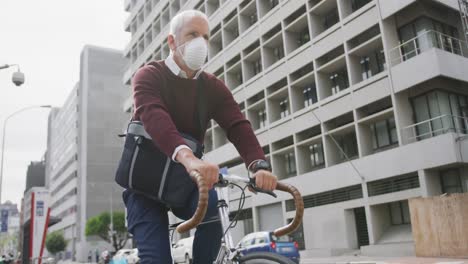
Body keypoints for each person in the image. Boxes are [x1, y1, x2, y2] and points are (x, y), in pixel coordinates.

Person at [123, 9, 277, 264]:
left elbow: (238, 125)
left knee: (215, 211)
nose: (201, 43)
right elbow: (155, 119)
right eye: (193, 34)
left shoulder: (212, 87)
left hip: (184, 184)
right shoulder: (148, 76)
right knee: (157, 260)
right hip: (143, 186)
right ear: (172, 41)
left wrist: (258, 164)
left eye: (205, 37)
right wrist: (188, 157)